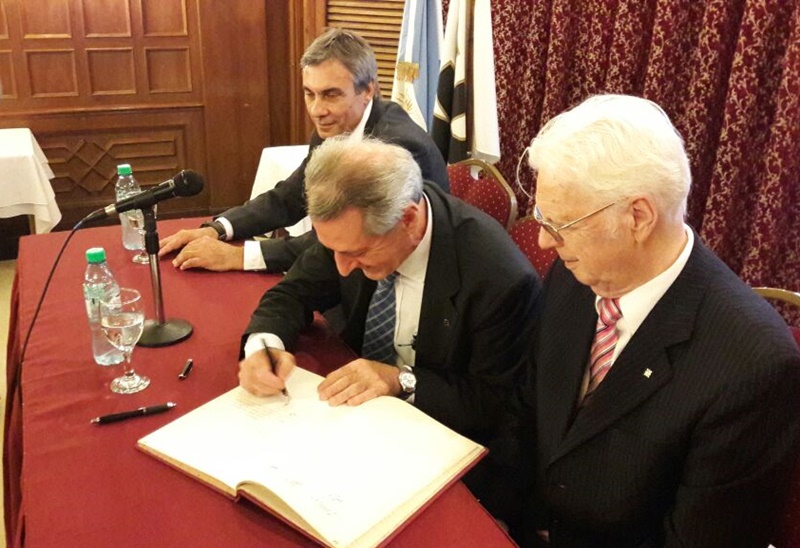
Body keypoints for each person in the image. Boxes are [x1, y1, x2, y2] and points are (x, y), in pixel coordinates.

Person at [484, 94, 800, 547]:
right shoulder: (576, 275)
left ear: (638, 216)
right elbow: (528, 408)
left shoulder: (752, 364)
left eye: (561, 223)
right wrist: (492, 518)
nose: (543, 241)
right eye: (540, 217)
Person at [237, 137, 541, 441]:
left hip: (436, 435)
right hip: (350, 418)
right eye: (334, 252)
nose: (342, 267)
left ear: (408, 219)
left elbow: (495, 402)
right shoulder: (351, 231)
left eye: (359, 253)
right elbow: (293, 292)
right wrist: (265, 346)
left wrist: (401, 381)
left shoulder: (498, 278)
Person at [158, 28, 448, 273]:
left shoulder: (400, 149)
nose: (317, 111)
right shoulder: (335, 128)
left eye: (331, 94)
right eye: (310, 94)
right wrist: (218, 229)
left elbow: (344, 239)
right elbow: (293, 195)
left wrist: (239, 256)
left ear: (368, 90)